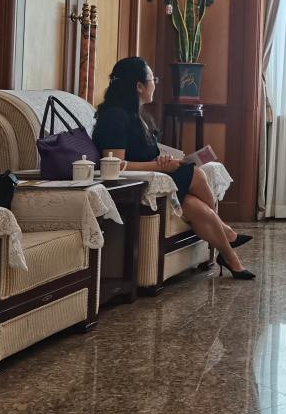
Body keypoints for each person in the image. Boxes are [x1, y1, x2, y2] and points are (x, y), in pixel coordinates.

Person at [92, 56, 254, 280]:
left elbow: (142, 153)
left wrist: (163, 160)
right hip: (136, 185)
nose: (155, 84)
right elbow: (115, 165)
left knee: (194, 205)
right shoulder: (115, 117)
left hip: (154, 177)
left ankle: (229, 256)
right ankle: (227, 235)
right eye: (153, 79)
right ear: (139, 86)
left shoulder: (138, 116)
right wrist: (159, 167)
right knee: (195, 174)